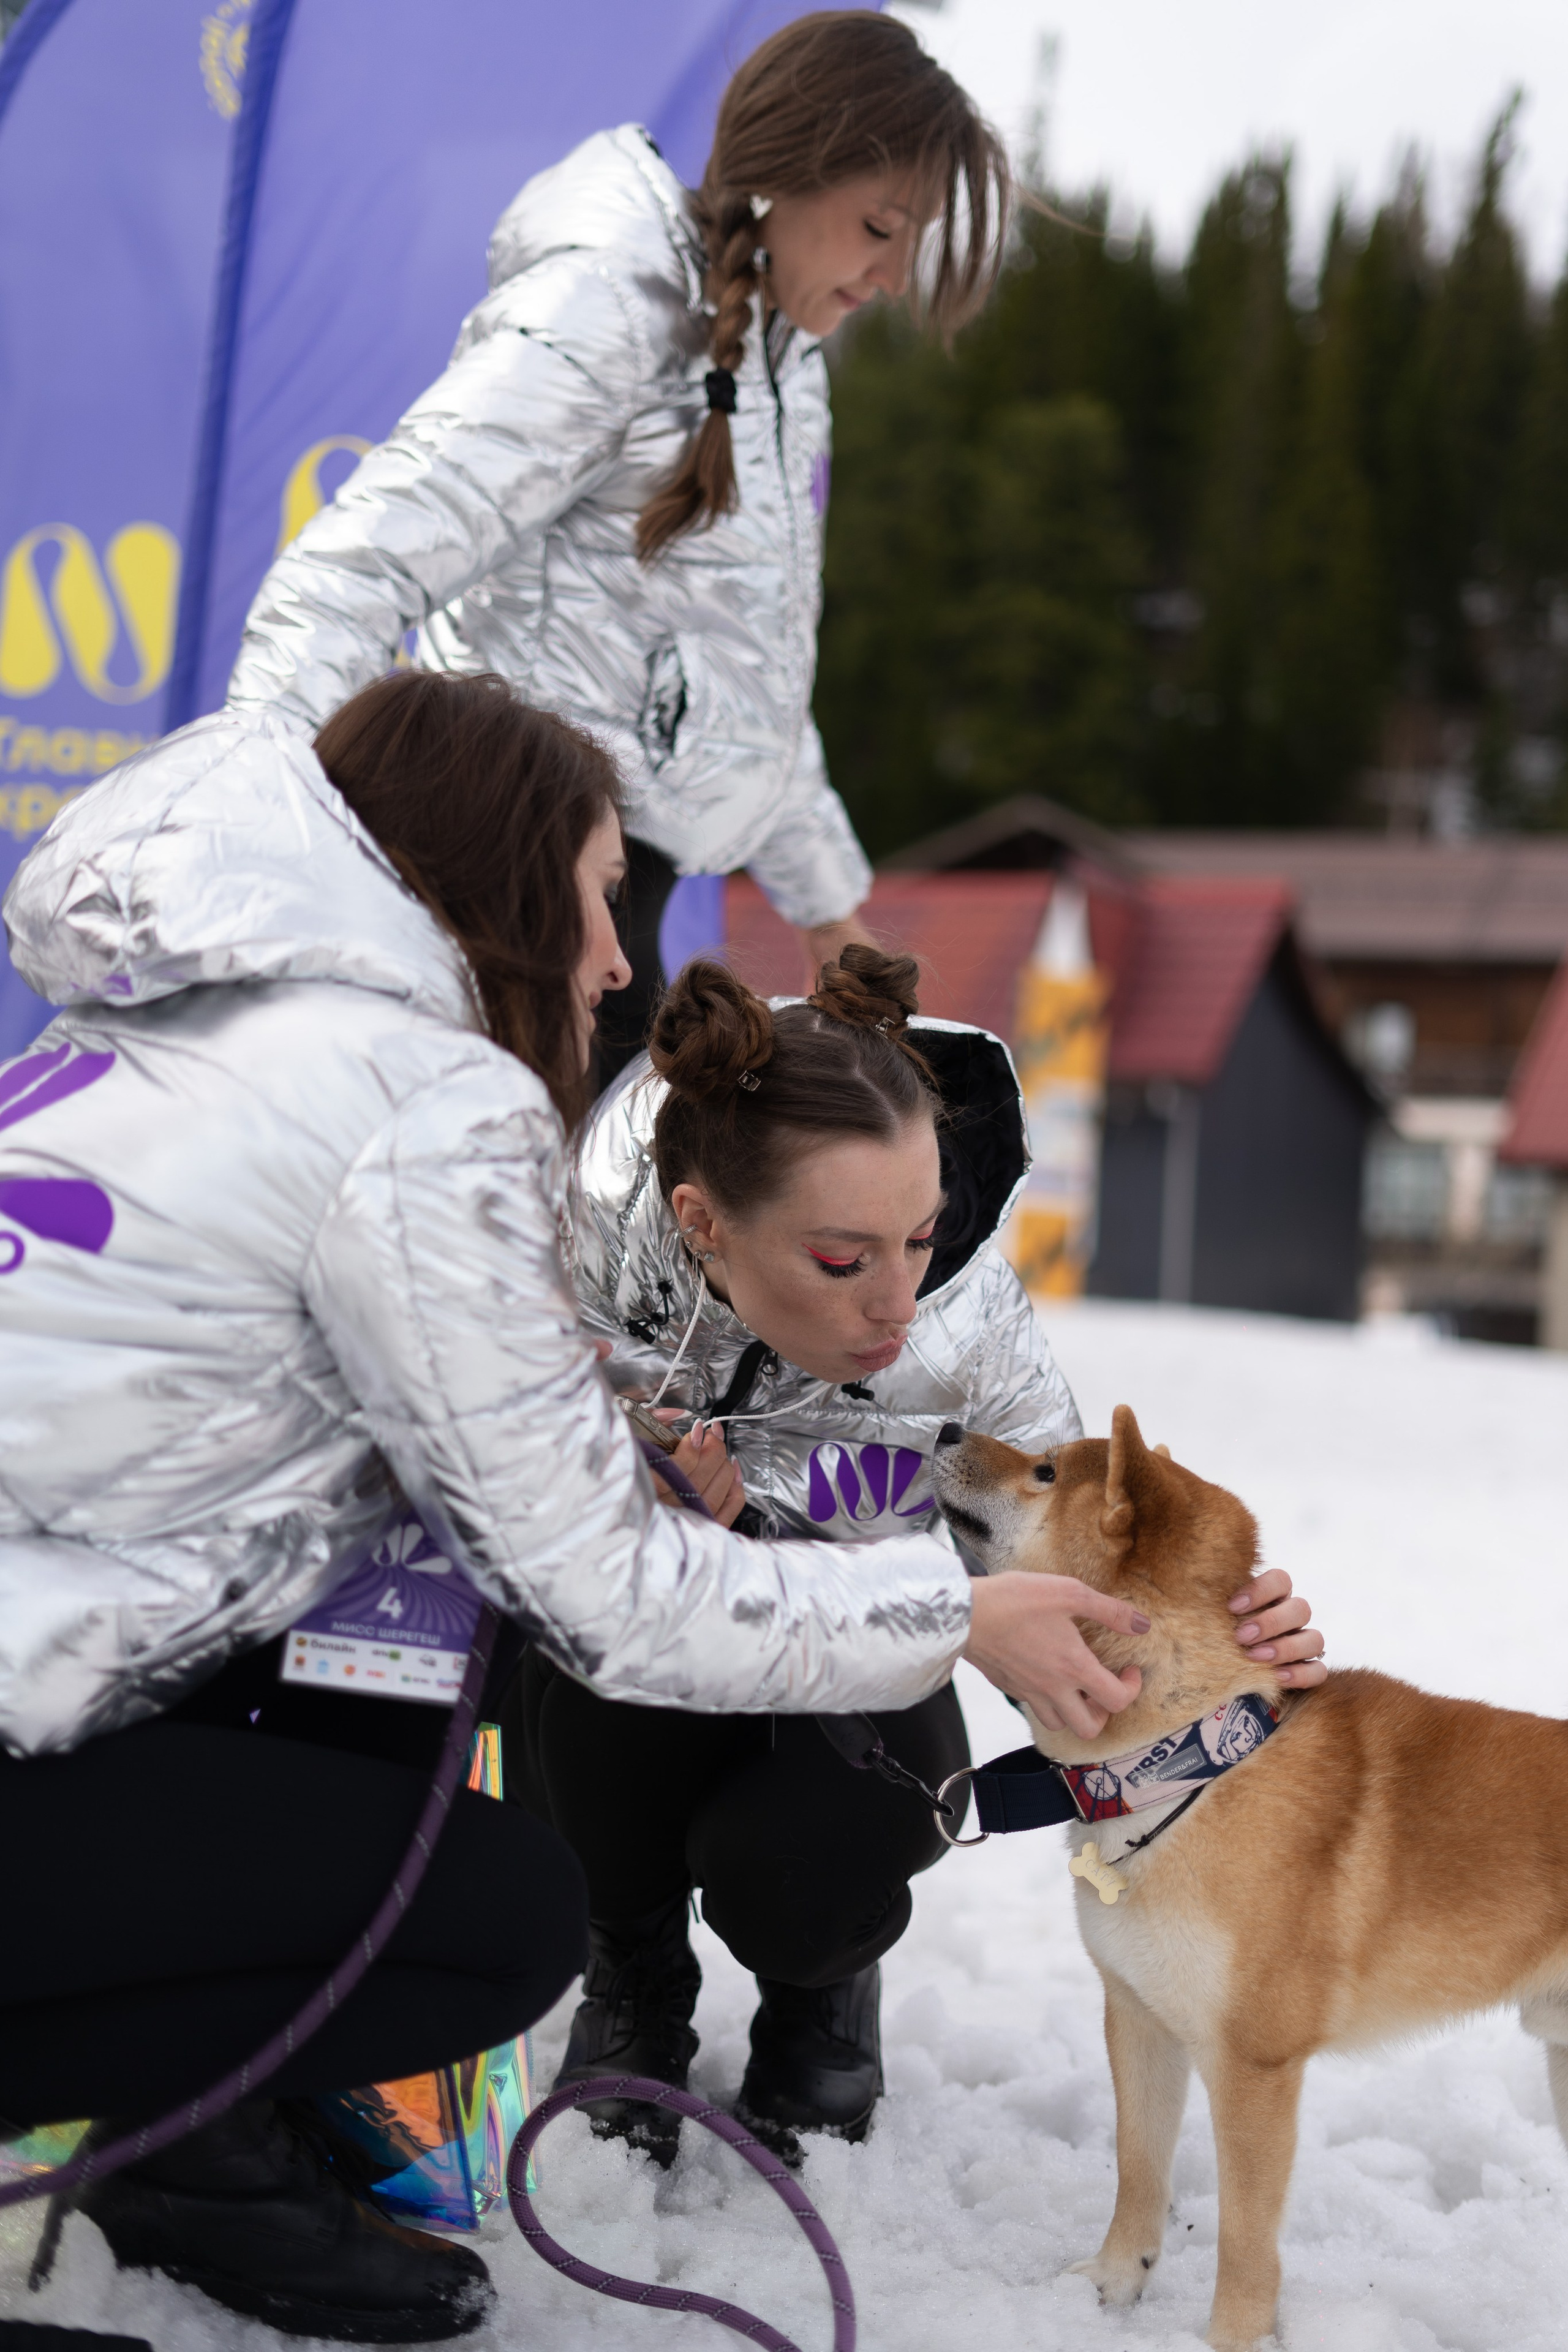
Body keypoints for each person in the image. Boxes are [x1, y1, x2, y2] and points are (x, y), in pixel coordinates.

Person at [0, 671, 1161, 2340]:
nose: (620, 958)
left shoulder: (161, 1039)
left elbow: (1110, 1523)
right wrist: (947, 1609)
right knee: (492, 1913)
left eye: (920, 1244)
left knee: (425, 1618)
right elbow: (596, 1592)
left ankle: (214, 2122)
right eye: (603, 894)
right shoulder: (428, 1098)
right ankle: (188, 2135)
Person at [541, 952, 1327, 2159]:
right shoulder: (579, 1262)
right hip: (639, 1674)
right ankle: (631, 1971)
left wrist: (1218, 1654)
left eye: (919, 1235)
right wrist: (640, 1506)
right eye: (845, 1261)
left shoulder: (963, 1317)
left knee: (826, 1857)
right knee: (584, 1681)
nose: (899, 1300)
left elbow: (1082, 1572)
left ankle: (823, 1979)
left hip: (861, 1681)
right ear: (702, 1224)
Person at [224, 11, 1011, 1079]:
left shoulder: (788, 365)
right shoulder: (611, 307)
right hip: (522, 906)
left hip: (619, 916)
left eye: (914, 242)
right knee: (496, 1233)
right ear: (791, 169)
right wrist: (260, 845)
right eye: (882, 227)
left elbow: (746, 679)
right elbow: (350, 569)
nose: (895, 276)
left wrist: (831, 913)